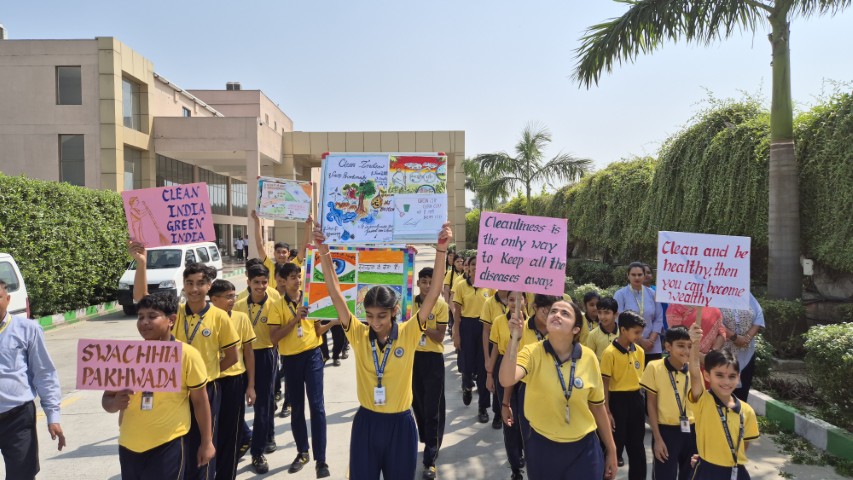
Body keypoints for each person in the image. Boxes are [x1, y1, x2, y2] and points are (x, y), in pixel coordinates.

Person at [313, 220, 451, 480]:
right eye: (370, 315)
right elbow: (336, 294)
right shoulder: (358, 333)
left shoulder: (409, 333)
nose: (375, 322)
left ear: (394, 311)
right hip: (367, 423)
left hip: (401, 425)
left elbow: (433, 294)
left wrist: (441, 249)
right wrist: (324, 251)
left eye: (382, 316)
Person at [132, 243, 240, 480]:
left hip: (206, 389)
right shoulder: (175, 313)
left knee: (204, 443)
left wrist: (206, 373)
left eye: (200, 283)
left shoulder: (220, 317)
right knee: (179, 441)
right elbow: (142, 298)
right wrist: (141, 263)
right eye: (189, 283)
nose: (194, 289)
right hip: (174, 389)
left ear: (209, 286)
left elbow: (232, 356)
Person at [499, 298, 617, 480]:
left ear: (576, 329)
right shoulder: (532, 352)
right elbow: (506, 379)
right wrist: (514, 339)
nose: (556, 315)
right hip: (542, 447)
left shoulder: (588, 357)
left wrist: (611, 449)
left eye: (565, 313)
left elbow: (597, 407)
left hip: (584, 448)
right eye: (553, 311)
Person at [103, 291, 214, 480]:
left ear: (171, 320)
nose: (144, 322)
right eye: (140, 317)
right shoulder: (127, 356)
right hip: (129, 444)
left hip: (168, 443)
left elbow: (200, 402)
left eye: (152, 316)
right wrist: (115, 403)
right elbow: (107, 399)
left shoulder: (187, 355)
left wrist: (207, 442)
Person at [269, 261, 334, 478]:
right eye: (293, 277)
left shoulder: (310, 300)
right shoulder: (276, 306)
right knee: (297, 407)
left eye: (299, 276)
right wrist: (295, 319)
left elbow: (317, 331)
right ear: (283, 281)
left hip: (313, 355)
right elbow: (274, 338)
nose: (297, 281)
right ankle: (302, 452)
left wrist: (332, 322)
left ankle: (321, 460)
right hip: (291, 360)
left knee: (317, 406)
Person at [0, 280, 65, 479]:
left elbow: (44, 373)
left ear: (7, 299)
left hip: (17, 419)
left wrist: (53, 416)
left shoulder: (27, 329)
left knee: (21, 475)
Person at [487, 292, 550, 480]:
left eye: (519, 299)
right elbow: (510, 368)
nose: (549, 314)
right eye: (511, 299)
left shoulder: (554, 333)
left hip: (542, 388)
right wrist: (505, 402)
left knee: (535, 431)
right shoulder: (517, 329)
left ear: (526, 302)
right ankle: (515, 465)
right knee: (512, 426)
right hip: (515, 377)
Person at [687, 324, 760, 479]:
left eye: (732, 376)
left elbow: (743, 444)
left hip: (736, 471)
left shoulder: (747, 411)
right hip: (707, 471)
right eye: (719, 375)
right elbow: (694, 372)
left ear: (738, 378)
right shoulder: (703, 401)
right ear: (707, 376)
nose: (726, 382)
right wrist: (694, 344)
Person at [233, 264, 284, 474]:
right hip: (241, 358)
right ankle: (245, 438)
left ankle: (257, 451)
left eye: (264, 282)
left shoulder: (274, 303)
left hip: (264, 356)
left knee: (263, 406)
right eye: (256, 282)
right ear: (248, 282)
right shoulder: (238, 306)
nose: (261, 286)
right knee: (235, 404)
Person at [208, 280, 257, 480]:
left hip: (234, 381)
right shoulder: (204, 320)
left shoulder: (241, 318)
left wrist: (251, 386)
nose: (233, 300)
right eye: (228, 297)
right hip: (209, 382)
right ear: (214, 299)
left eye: (234, 296)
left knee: (231, 435)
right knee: (210, 433)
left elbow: (248, 353)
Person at [641, 326, 697, 480]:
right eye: (681, 345)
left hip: (692, 431)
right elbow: (651, 405)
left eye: (690, 346)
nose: (686, 350)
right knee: (664, 475)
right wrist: (657, 439)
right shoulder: (654, 367)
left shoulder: (694, 370)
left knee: (690, 475)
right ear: (668, 346)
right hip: (666, 432)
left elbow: (700, 404)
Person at [409, 267, 449, 480]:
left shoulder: (441, 305)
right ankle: (428, 438)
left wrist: (421, 325)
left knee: (433, 407)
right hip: (412, 358)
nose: (426, 286)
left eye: (430, 282)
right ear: (417, 283)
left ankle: (430, 459)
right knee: (417, 403)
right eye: (423, 281)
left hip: (433, 360)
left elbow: (440, 336)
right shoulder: (409, 303)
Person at [601, 310, 647, 480]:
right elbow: (605, 383)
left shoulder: (640, 351)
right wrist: (607, 411)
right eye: (636, 332)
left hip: (636, 400)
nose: (639, 336)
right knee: (615, 444)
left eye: (640, 332)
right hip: (617, 401)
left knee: (637, 446)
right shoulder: (609, 353)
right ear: (623, 329)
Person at [451, 254, 494, 423]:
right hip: (466, 326)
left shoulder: (490, 286)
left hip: (485, 327)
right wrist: (456, 333)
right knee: (466, 364)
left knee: (483, 368)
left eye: (479, 264)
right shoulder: (461, 285)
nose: (476, 267)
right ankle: (467, 385)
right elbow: (457, 312)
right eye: (473, 264)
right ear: (468, 267)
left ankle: (483, 407)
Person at [613, 262, 664, 363]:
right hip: (629, 344)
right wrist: (640, 340)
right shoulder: (620, 294)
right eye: (633, 274)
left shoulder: (653, 294)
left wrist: (651, 340)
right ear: (628, 275)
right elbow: (619, 319)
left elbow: (659, 318)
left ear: (644, 276)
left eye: (640, 274)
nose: (637, 277)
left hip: (652, 346)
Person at [719, 294, 765, 401]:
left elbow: (759, 316)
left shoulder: (746, 294)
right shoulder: (716, 294)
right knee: (723, 393)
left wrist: (747, 338)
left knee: (742, 395)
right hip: (723, 353)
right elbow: (714, 320)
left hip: (746, 352)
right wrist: (735, 338)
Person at [251, 209, 310, 289]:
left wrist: (307, 224)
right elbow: (259, 245)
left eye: (284, 252)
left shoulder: (294, 265)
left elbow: (304, 247)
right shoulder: (269, 266)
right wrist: (257, 221)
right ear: (274, 253)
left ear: (288, 254)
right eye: (278, 252)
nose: (281, 255)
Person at [480, 289, 510, 429]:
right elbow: (486, 332)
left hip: (519, 354)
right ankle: (496, 413)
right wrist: (487, 358)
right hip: (497, 349)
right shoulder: (490, 303)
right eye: (511, 300)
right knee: (498, 385)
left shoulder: (524, 317)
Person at [442, 253, 464, 333]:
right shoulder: (450, 274)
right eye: (457, 261)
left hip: (464, 301)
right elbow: (446, 289)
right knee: (454, 319)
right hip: (453, 301)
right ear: (454, 263)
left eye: (461, 261)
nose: (460, 263)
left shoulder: (467, 274)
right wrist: (447, 303)